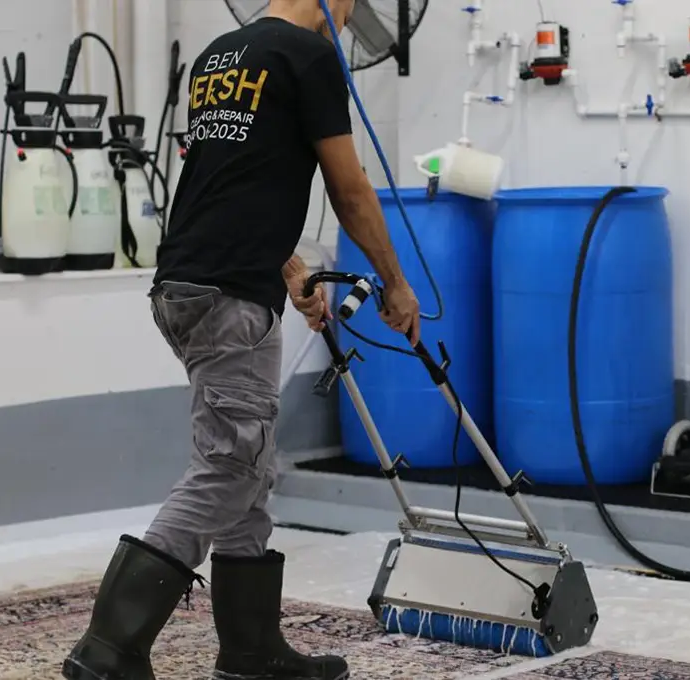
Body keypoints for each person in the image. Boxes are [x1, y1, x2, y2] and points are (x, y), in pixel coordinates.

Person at [61, 1, 420, 679]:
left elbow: (230, 180)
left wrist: (289, 273)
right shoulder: (310, 58)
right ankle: (108, 648)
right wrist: (396, 284)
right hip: (228, 296)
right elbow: (350, 189)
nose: (351, 16)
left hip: (187, 284)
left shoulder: (222, 54)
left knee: (250, 467)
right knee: (229, 466)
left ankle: (251, 651)